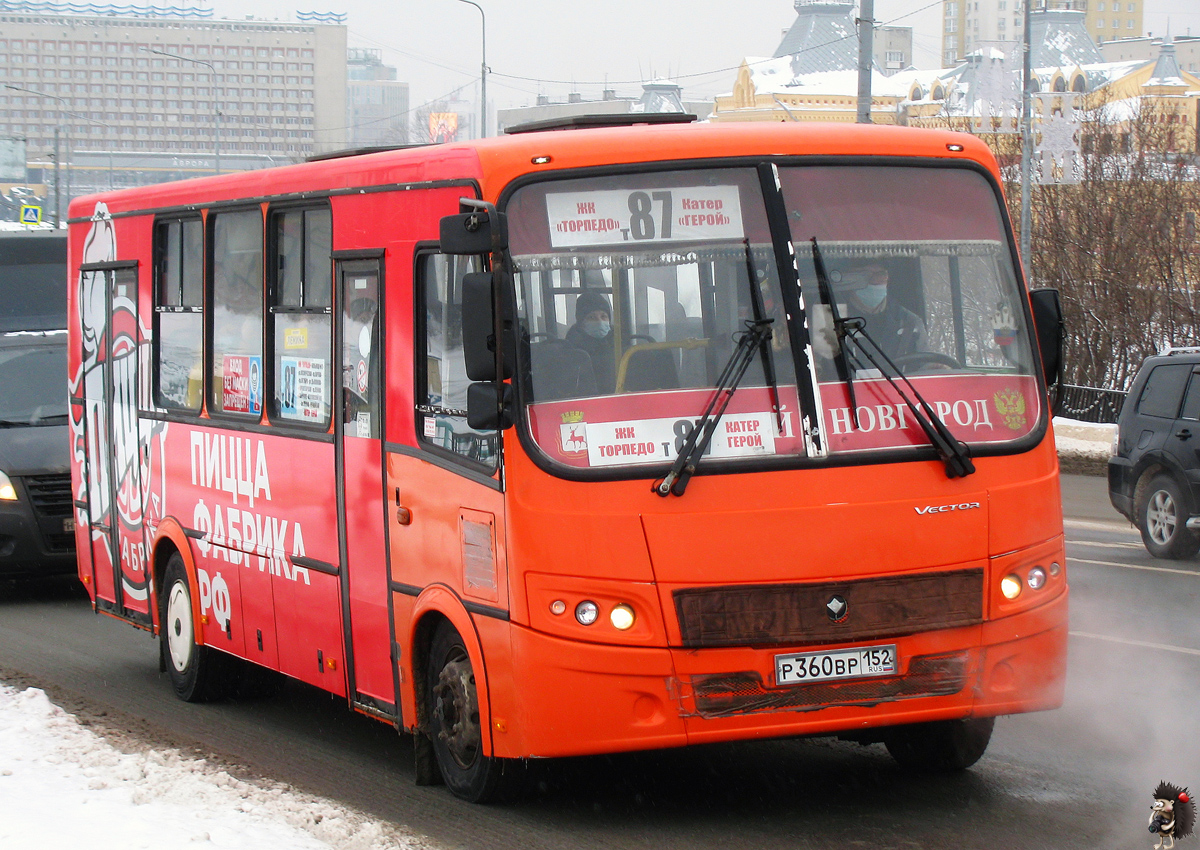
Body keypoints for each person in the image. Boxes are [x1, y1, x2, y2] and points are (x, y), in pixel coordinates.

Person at [836, 262, 925, 361]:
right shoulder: (834, 322)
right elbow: (821, 367)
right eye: (865, 274)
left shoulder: (910, 322)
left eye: (881, 274)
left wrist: (934, 367)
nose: (875, 280)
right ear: (851, 278)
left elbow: (925, 366)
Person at [565, 290, 617, 394]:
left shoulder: (619, 341)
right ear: (581, 322)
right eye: (592, 317)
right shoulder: (571, 350)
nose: (599, 322)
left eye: (603, 316)